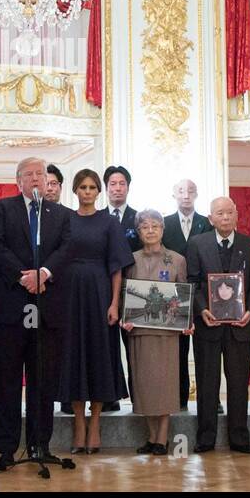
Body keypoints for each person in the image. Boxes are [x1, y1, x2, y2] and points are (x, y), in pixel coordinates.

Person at [0, 156, 74, 471]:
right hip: (9, 306)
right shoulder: (0, 208)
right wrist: (24, 276)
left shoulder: (61, 214)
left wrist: (44, 273)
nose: (36, 179)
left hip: (47, 307)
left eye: (41, 174)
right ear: (18, 180)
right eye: (29, 174)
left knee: (44, 380)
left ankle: (40, 444)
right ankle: (7, 449)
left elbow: (67, 248)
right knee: (6, 381)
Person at [58, 169, 130, 453]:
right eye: (82, 187)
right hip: (70, 295)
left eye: (92, 187)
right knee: (74, 356)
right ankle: (78, 422)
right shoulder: (65, 220)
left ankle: (96, 421)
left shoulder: (109, 222)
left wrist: (114, 304)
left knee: (99, 356)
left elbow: (117, 267)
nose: (87, 192)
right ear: (75, 190)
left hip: (100, 294)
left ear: (98, 192)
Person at [185, 196, 250, 454]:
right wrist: (202, 309)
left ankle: (240, 439)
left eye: (230, 212)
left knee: (239, 383)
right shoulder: (197, 243)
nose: (226, 217)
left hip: (241, 326)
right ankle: (205, 438)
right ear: (211, 218)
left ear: (237, 215)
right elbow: (192, 281)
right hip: (208, 324)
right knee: (207, 384)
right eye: (220, 213)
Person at [123, 209, 192, 454]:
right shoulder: (130, 259)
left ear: (163, 229)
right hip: (139, 331)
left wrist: (187, 320)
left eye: (155, 226)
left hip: (167, 333)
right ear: (138, 232)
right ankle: (151, 437)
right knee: (144, 385)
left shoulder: (177, 259)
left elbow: (184, 294)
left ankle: (162, 439)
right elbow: (125, 296)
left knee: (165, 385)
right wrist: (125, 318)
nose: (150, 231)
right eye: (144, 227)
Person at [163, 179, 212, 411]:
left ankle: (211, 399)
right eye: (181, 190)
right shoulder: (164, 223)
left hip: (203, 294)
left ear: (197, 194)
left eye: (190, 191)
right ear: (173, 194)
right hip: (174, 295)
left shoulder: (207, 223)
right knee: (178, 351)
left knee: (206, 352)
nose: (186, 195)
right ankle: (179, 398)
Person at [102, 165, 140, 412]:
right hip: (102, 291)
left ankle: (140, 399)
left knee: (135, 349)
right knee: (105, 347)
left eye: (122, 183)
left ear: (128, 187)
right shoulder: (97, 217)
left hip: (134, 291)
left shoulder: (139, 219)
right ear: (106, 188)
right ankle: (108, 396)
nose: (117, 188)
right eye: (113, 184)